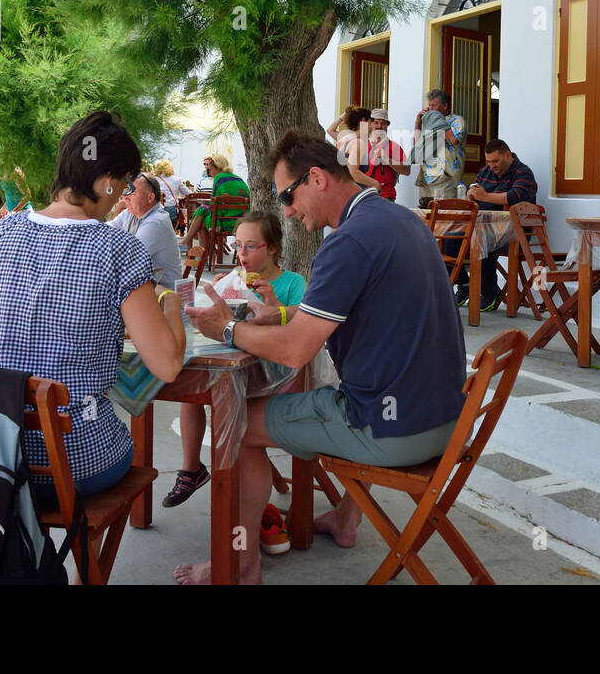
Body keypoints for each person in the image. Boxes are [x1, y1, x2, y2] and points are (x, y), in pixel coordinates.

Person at [181, 132, 465, 584]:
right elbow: (339, 306)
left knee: (234, 424)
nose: (288, 212)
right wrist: (277, 313)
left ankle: (241, 562)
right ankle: (345, 517)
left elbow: (296, 349)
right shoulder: (398, 218)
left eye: (288, 197)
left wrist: (228, 329)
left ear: (316, 178)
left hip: (392, 431)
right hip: (447, 421)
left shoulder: (348, 242)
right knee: (356, 385)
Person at [0, 110, 185, 500]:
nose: (123, 197)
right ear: (107, 181)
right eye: (126, 184)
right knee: (116, 443)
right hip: (72, 462)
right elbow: (166, 364)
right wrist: (173, 307)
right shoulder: (120, 250)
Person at [165, 211, 306, 518]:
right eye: (237, 245)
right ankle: (191, 469)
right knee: (191, 388)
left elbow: (300, 333)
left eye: (251, 246)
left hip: (276, 378)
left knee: (228, 414)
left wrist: (274, 307)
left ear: (271, 248)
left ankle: (239, 509)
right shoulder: (232, 279)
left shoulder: (292, 283)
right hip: (236, 372)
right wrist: (219, 298)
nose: (241, 254)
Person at [448, 139, 539, 312]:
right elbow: (474, 189)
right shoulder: (486, 171)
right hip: (483, 227)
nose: (492, 166)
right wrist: (471, 193)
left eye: (495, 161)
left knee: (482, 238)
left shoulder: (523, 172)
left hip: (515, 233)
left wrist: (484, 196)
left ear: (507, 155)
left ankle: (489, 292)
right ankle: (465, 284)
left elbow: (516, 196)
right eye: (488, 162)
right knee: (449, 239)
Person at [108, 171, 183, 289]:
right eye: (125, 191)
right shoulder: (131, 213)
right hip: (145, 289)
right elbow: (107, 230)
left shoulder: (157, 221)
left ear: (150, 197)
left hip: (163, 298)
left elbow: (128, 257)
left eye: (131, 193)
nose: (125, 197)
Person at [180, 153, 249, 258]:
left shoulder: (220, 178)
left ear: (218, 168)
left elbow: (214, 203)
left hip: (225, 222)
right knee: (203, 216)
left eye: (210, 170)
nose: (210, 173)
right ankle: (193, 249)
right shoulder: (238, 179)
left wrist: (210, 215)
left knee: (202, 214)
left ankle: (197, 253)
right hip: (240, 223)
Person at [411, 89, 466, 207]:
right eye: (429, 105)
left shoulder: (457, 120)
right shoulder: (429, 122)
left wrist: (438, 121)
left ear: (445, 106)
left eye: (434, 105)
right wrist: (418, 122)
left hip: (445, 175)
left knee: (443, 212)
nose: (430, 109)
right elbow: (417, 145)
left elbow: (454, 140)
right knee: (427, 213)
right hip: (427, 176)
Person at [324, 107, 381, 190]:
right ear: (363, 121)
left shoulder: (346, 138)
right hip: (352, 193)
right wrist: (375, 183)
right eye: (371, 122)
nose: (372, 126)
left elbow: (330, 130)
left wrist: (346, 114)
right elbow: (353, 172)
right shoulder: (357, 142)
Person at [365, 108, 409, 200]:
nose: (379, 126)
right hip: (364, 196)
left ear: (387, 126)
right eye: (376, 122)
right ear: (370, 124)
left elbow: (406, 171)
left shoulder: (394, 146)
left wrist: (387, 159)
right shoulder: (361, 145)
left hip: (385, 197)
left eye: (383, 123)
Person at [151, 158, 193, 228]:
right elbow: (188, 194)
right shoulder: (176, 179)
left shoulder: (153, 180)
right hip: (171, 211)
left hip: (155, 211)